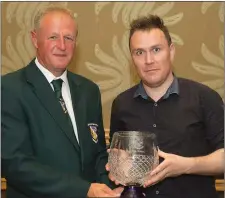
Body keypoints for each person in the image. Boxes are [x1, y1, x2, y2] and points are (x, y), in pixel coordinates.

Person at [2, 5, 122, 198]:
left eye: (69, 38)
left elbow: (98, 154)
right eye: (53, 37)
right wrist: (84, 190)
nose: (62, 45)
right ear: (35, 39)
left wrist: (109, 187)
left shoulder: (89, 91)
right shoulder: (9, 89)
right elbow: (15, 164)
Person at [108, 14, 224, 198]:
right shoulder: (121, 104)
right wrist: (117, 167)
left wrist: (187, 165)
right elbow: (118, 159)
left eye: (156, 49)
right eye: (139, 52)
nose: (148, 60)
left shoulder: (205, 97)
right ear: (132, 58)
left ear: (171, 51)